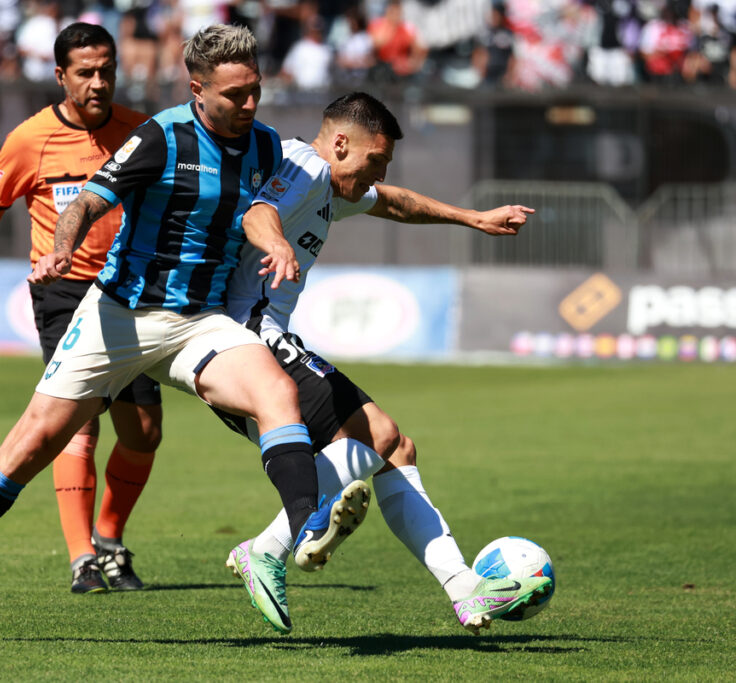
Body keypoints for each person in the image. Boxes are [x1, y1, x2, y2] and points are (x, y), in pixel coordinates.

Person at [0, 24, 368, 644]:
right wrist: (61, 250)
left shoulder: (269, 148)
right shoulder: (162, 135)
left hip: (199, 321)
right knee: (27, 450)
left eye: (255, 91)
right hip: (120, 316)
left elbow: (351, 193)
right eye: (234, 95)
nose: (249, 105)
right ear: (197, 90)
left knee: (277, 392)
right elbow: (86, 201)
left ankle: (307, 522)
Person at [214, 92, 551, 635]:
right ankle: (268, 549)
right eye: (375, 159)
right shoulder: (303, 165)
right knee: (379, 437)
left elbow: (393, 202)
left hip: (255, 335)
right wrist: (277, 245)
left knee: (396, 450)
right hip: (248, 334)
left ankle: (465, 592)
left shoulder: (332, 184)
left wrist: (472, 218)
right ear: (341, 144)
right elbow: (260, 212)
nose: (378, 172)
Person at [0, 22, 161, 594]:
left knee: (143, 432)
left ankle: (110, 540)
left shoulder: (141, 132)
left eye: (106, 70)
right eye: (85, 73)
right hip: (64, 293)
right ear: (61, 76)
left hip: (131, 292)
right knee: (78, 424)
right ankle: (82, 558)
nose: (98, 82)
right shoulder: (28, 139)